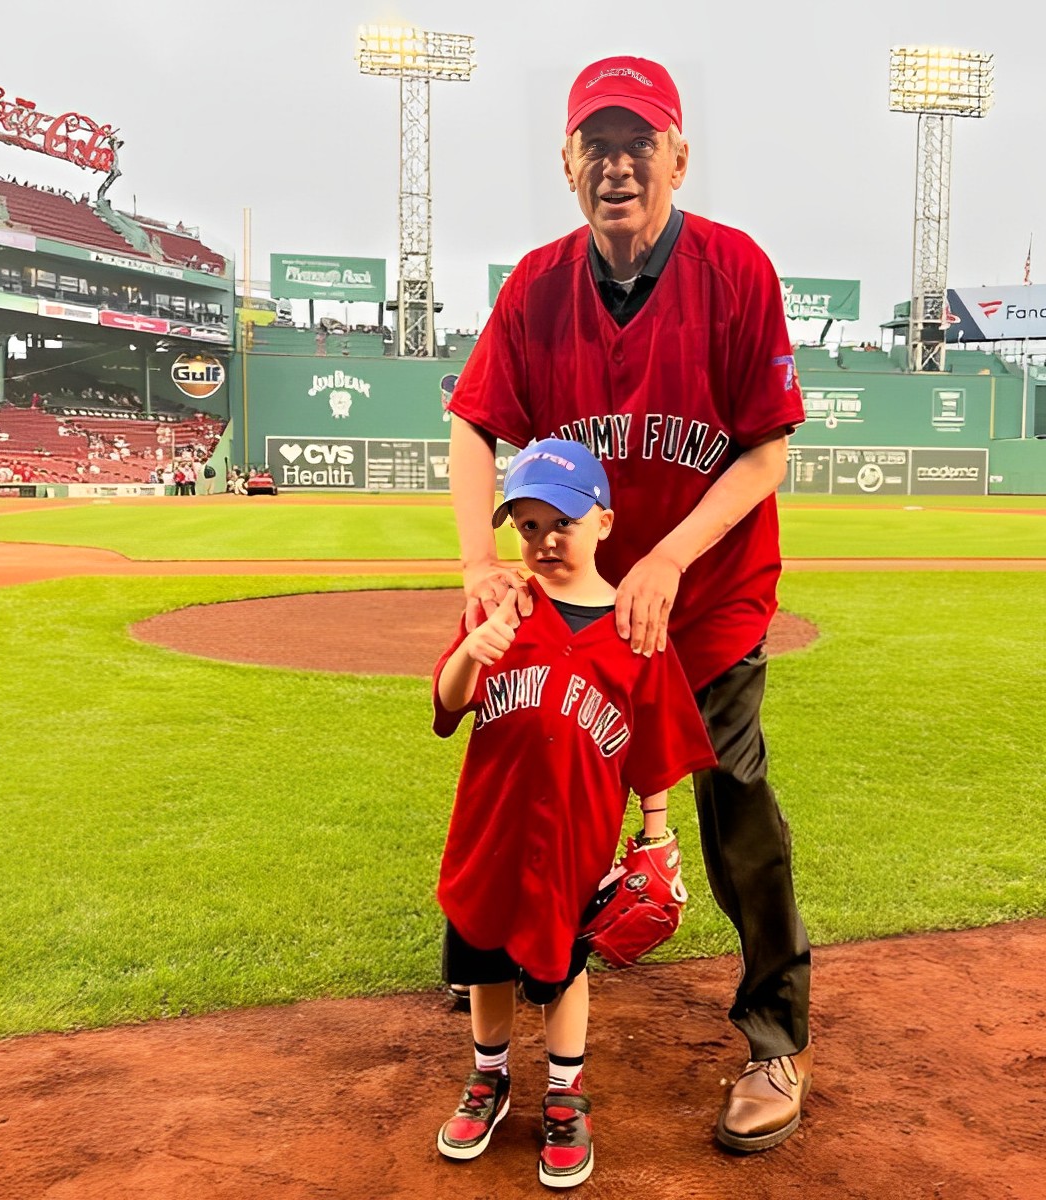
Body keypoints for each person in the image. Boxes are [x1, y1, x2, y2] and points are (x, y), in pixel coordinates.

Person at [444, 55, 813, 1155]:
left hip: (707, 602)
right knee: (538, 774)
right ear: (567, 165)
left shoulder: (736, 271)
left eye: (637, 143)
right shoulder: (537, 286)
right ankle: (513, 983)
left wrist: (670, 562)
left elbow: (765, 454)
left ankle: (773, 1039)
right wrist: (478, 562)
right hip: (578, 604)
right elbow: (474, 426)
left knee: (732, 799)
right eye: (595, 146)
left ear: (677, 157)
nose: (617, 165)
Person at [432, 439, 715, 1189]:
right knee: (484, 955)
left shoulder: (635, 629)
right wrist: (474, 649)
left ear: (605, 523)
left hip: (575, 840)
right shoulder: (501, 609)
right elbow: (448, 702)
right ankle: (489, 1080)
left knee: (563, 967)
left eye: (562, 521)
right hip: (490, 828)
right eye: (525, 526)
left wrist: (657, 836)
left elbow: (655, 746)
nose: (544, 540)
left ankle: (565, 1095)